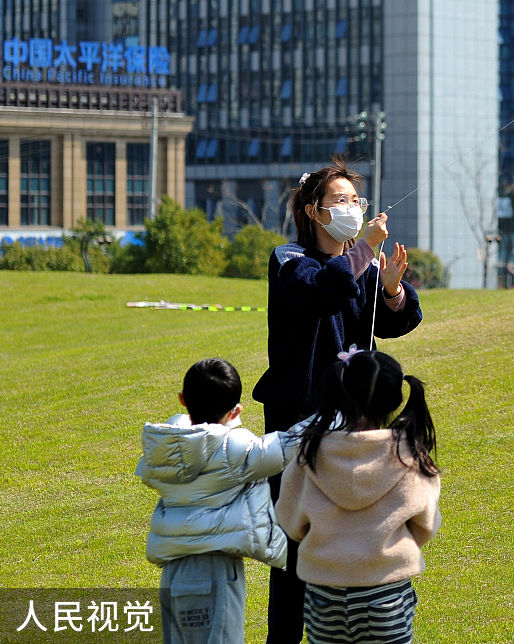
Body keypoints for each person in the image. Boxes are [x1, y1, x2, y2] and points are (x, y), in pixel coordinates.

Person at [253, 157, 424, 642]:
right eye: (340, 200)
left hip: (355, 424)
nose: (352, 208)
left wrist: (392, 289)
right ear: (313, 211)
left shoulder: (361, 266)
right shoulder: (290, 259)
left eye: (356, 200)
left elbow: (396, 322)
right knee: (296, 544)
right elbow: (321, 289)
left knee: (357, 532)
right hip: (298, 421)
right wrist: (365, 249)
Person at [276, 348, 441, 644]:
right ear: (396, 399)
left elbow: (289, 519)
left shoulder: (310, 452)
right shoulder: (408, 456)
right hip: (386, 593)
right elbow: (425, 525)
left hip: (325, 593)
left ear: (339, 391)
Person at [136, 358, 306, 643]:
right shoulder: (233, 449)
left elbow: (146, 472)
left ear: (182, 399)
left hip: (173, 574)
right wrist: (334, 414)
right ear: (236, 411)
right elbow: (286, 445)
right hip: (217, 573)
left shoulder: (164, 447)